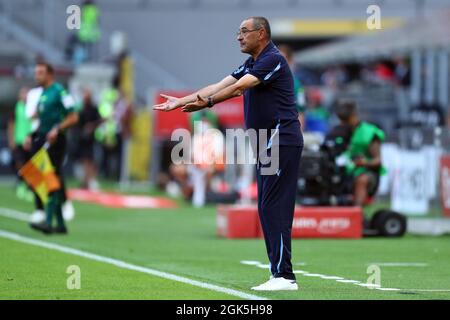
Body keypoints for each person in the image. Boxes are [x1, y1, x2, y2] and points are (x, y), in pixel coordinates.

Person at [153, 17, 303, 291]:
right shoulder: (253, 62)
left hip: (280, 140)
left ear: (261, 33)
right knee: (267, 205)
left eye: (244, 32)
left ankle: (284, 276)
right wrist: (181, 102)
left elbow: (237, 89)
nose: (238, 37)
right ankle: (280, 273)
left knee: (273, 205)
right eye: (238, 32)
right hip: (266, 142)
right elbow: (219, 84)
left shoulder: (272, 59)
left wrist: (207, 104)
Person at [24, 62, 79, 234]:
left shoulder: (60, 92)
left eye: (40, 73)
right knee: (38, 175)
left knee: (51, 178)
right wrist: (30, 135)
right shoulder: (44, 94)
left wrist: (58, 128)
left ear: (50, 74)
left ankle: (48, 221)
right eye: (36, 72)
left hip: (55, 140)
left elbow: (73, 117)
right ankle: (60, 225)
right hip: (42, 138)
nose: (36, 76)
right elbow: (43, 115)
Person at [335, 100, 385, 206]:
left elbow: (378, 161)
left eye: (346, 120)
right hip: (344, 171)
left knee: (361, 179)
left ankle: (356, 213)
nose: (343, 124)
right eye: (341, 121)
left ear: (353, 116)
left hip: (366, 172)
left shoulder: (369, 133)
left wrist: (363, 162)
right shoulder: (338, 132)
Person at [7, 87, 34, 201]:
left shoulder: (33, 108)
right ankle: (22, 184)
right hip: (19, 140)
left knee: (30, 165)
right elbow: (11, 125)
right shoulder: (17, 107)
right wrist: (11, 140)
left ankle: (29, 187)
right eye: (23, 93)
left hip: (31, 141)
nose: (25, 95)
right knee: (20, 164)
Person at [75, 88, 102, 190]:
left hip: (91, 140)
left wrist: (92, 126)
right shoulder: (80, 108)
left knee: (90, 160)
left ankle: (89, 181)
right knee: (84, 161)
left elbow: (99, 120)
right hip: (82, 139)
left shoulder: (94, 108)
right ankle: (85, 181)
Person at [278, 44, 305, 130]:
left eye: (283, 59)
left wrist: (299, 134)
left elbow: (301, 112)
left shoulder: (297, 85)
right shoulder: (264, 80)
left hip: (287, 131)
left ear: (290, 61)